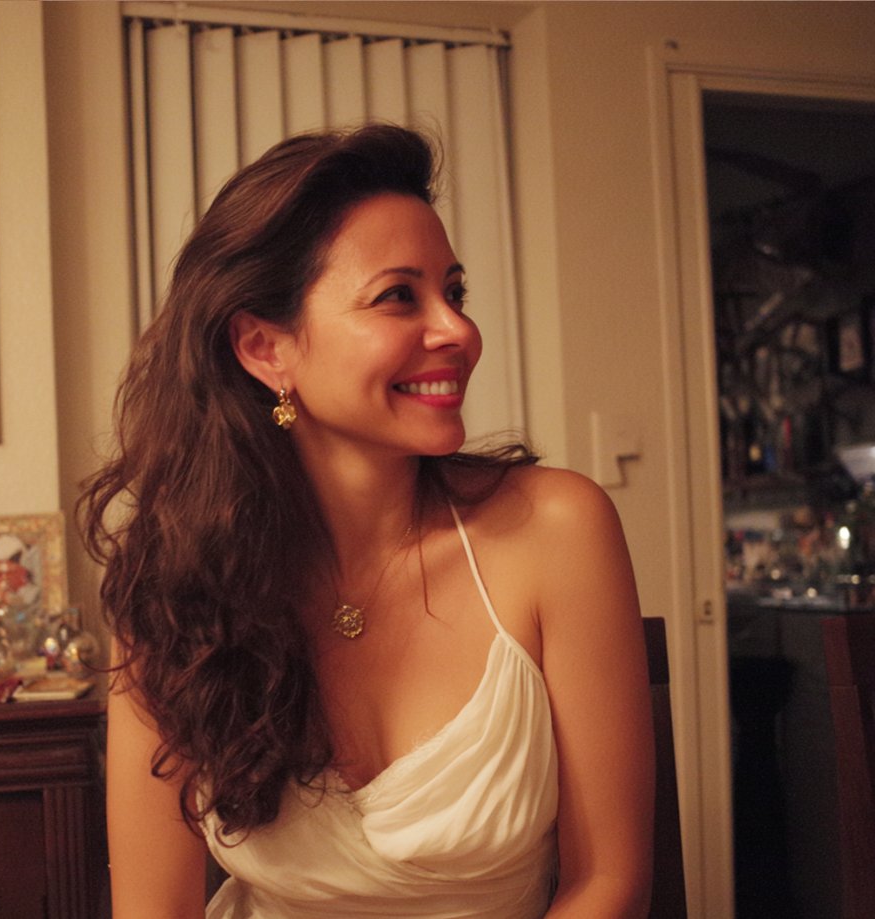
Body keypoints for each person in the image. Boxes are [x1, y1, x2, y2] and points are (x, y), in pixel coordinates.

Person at [81, 124, 654, 918]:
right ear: (264, 348)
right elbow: (154, 907)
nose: (458, 330)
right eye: (398, 296)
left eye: (454, 291)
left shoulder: (556, 529)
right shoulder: (173, 582)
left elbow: (607, 881)